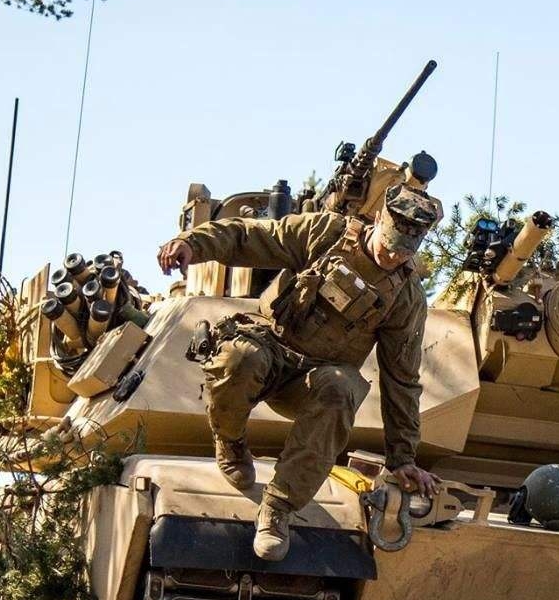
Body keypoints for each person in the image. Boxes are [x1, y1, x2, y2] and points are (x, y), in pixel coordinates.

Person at [157, 184, 443, 560]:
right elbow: (250, 235)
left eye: (402, 252)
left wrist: (403, 457)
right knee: (239, 357)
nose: (391, 256)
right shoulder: (325, 234)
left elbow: (402, 379)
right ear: (377, 221)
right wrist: (194, 243)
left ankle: (277, 509)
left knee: (343, 387)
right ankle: (229, 440)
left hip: (313, 384)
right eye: (388, 245)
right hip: (270, 349)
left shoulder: (405, 297)